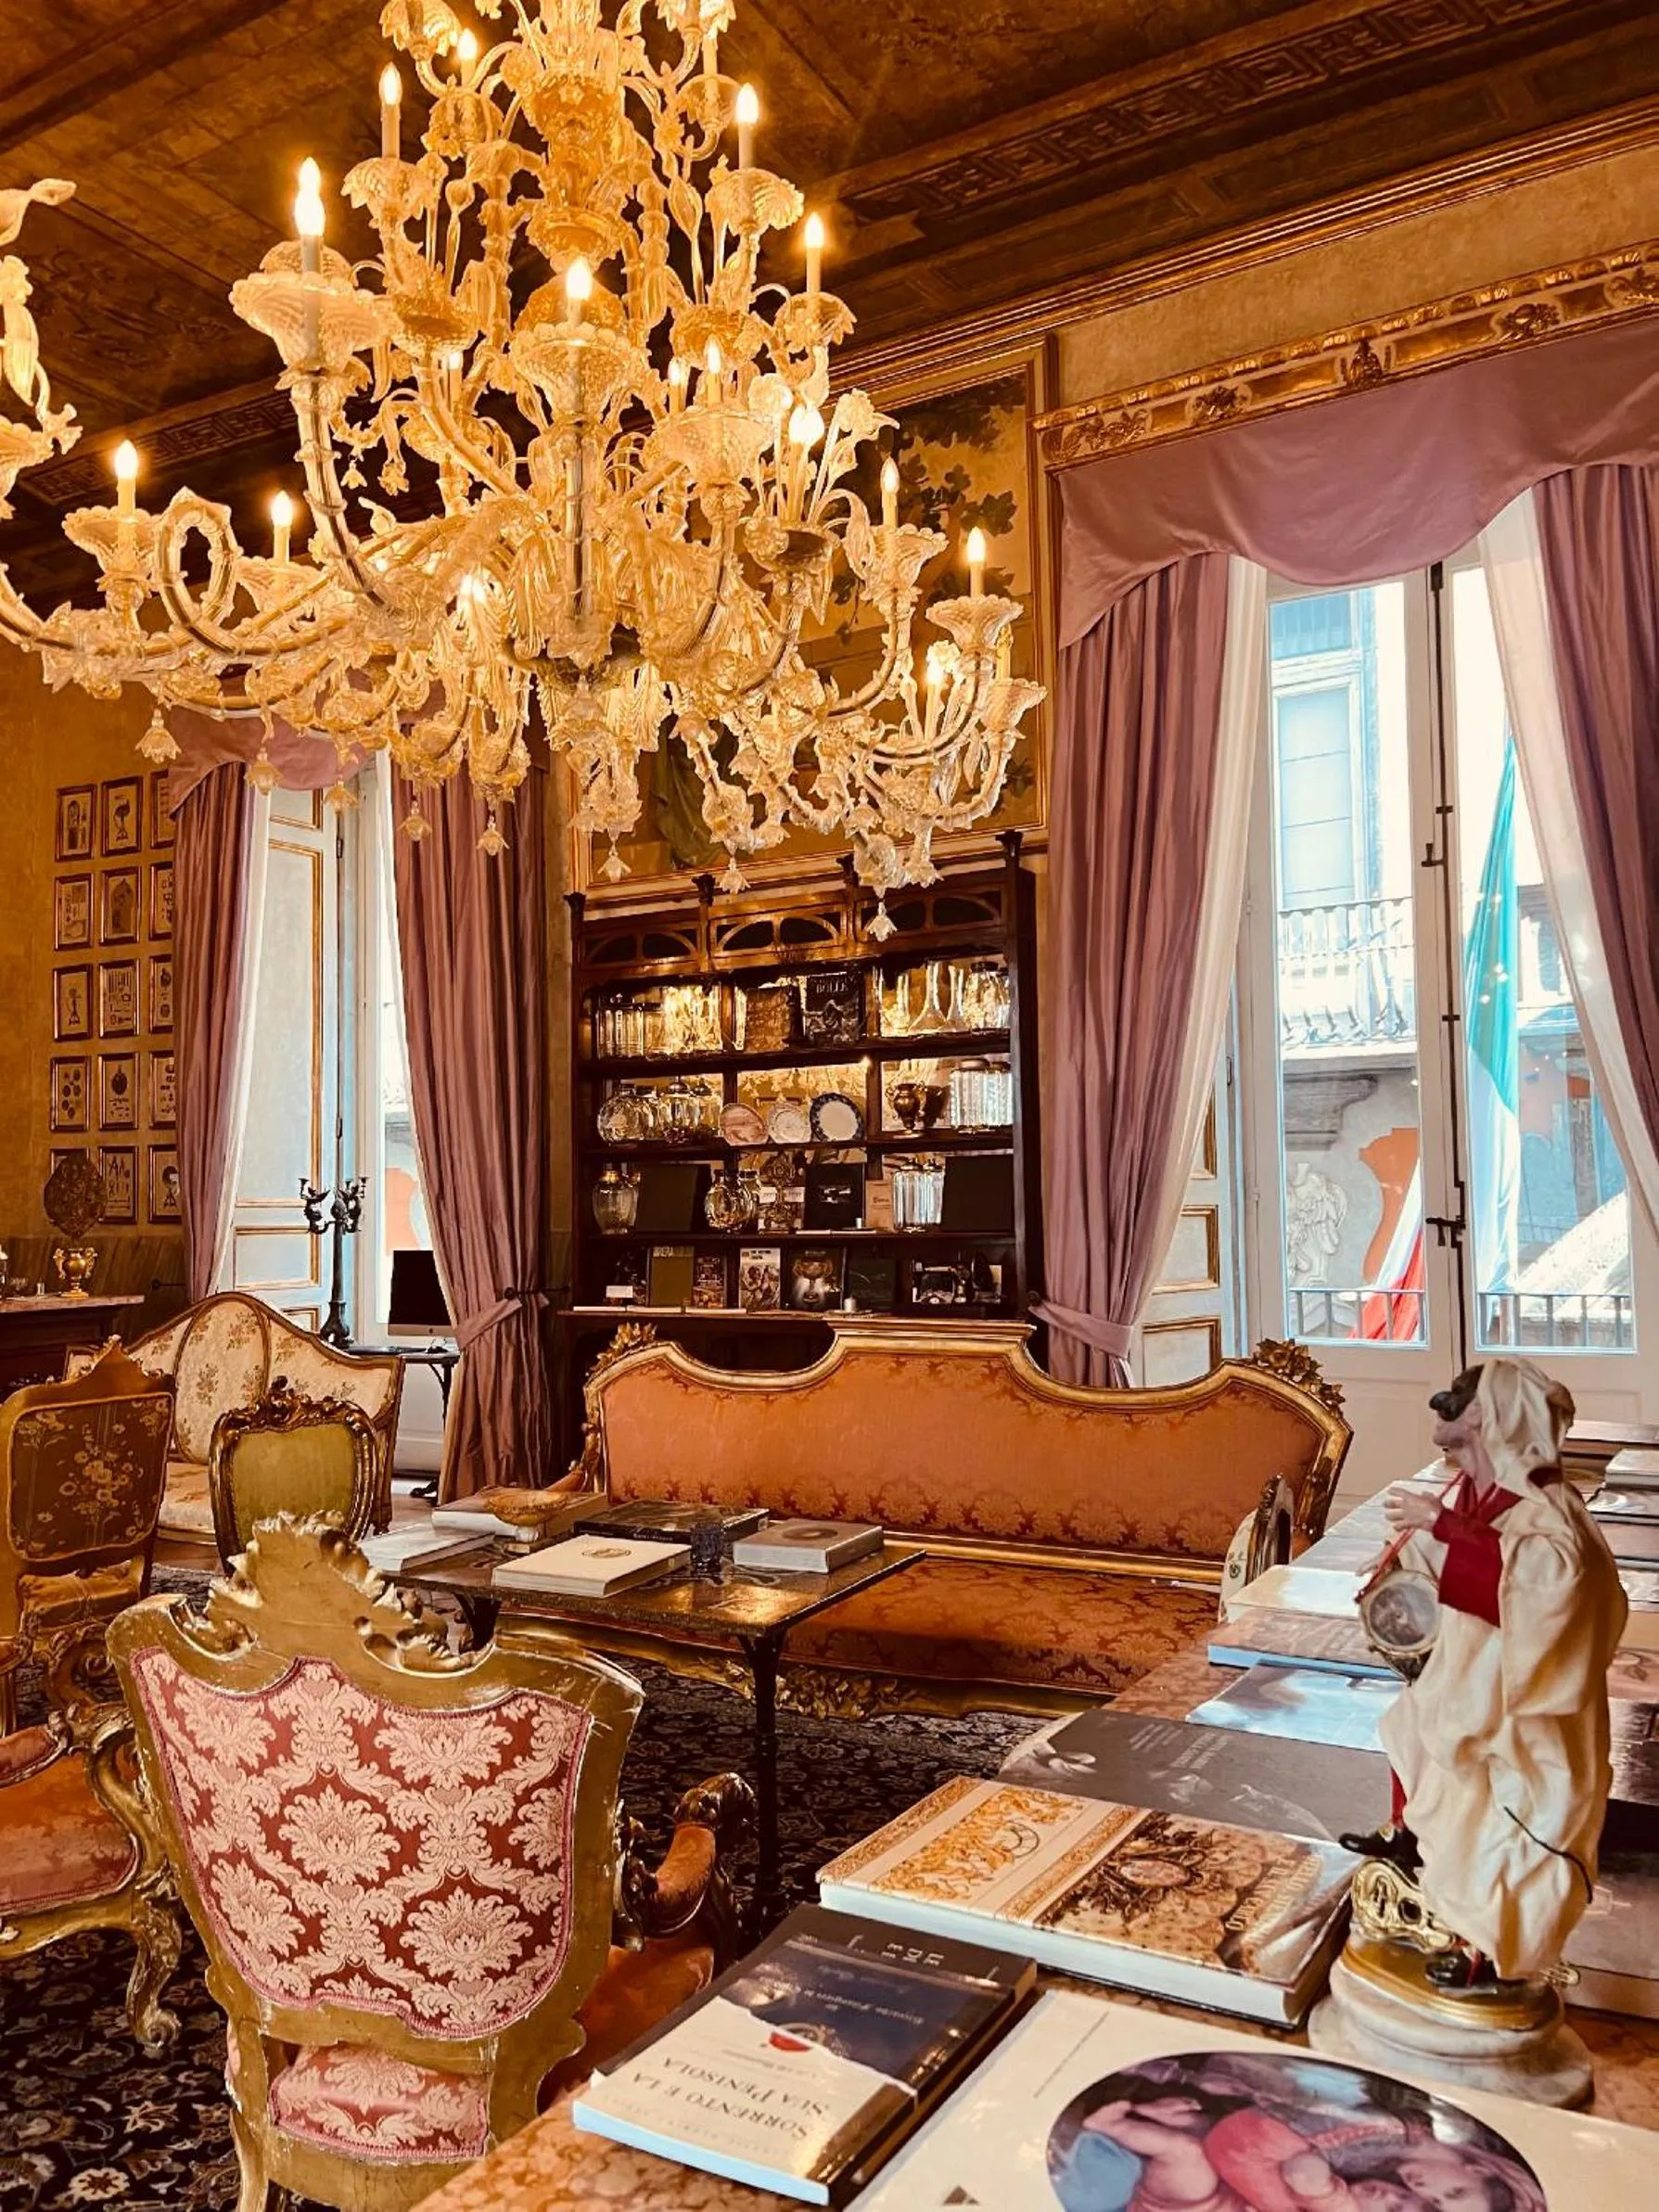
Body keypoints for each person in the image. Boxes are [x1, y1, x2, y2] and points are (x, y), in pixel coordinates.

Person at [1340, 1358, 1627, 1988]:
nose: (1447, 1428)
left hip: (1519, 1706)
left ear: (1495, 1421)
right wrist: (1391, 1577)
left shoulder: (1548, 1507)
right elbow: (1436, 1556)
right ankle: (1411, 1841)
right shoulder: (1471, 1489)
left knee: (1502, 1824)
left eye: (1463, 1420)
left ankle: (1487, 1949)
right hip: (1464, 1676)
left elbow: (1545, 1585)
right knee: (1412, 1738)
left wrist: (1438, 1525)